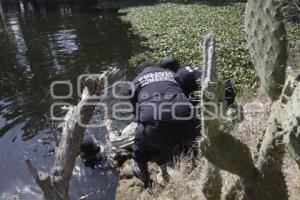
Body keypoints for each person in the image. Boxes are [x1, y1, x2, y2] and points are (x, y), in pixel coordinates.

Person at [128, 61, 199, 187]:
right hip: (190, 122)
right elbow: (182, 91)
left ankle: (143, 175)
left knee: (139, 144)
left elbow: (136, 111)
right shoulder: (170, 73)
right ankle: (188, 150)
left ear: (139, 72)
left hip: (157, 130)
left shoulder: (136, 81)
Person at [159, 56, 236, 108]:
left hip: (222, 96)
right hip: (227, 90)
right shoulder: (186, 70)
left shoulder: (178, 75)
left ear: (167, 69)